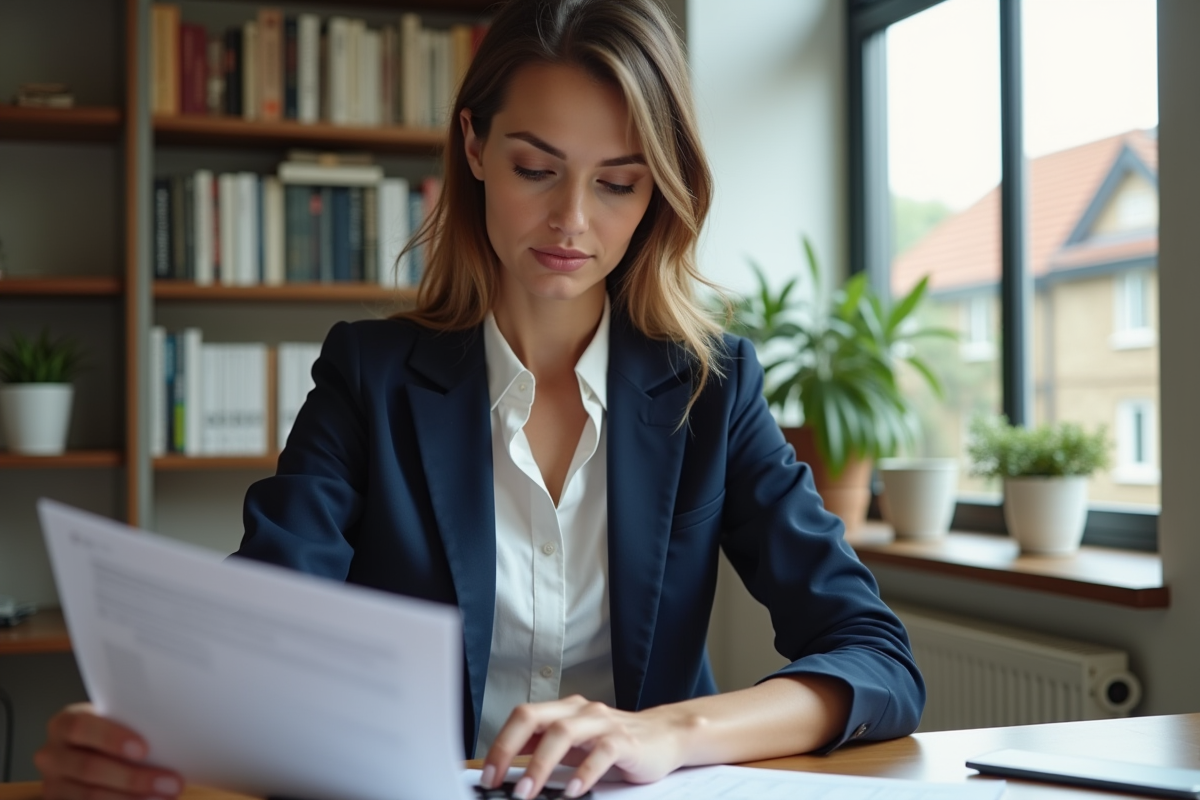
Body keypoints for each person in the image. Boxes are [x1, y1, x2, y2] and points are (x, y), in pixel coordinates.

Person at [35, 1, 924, 798]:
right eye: (537, 168)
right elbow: (260, 621)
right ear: (474, 148)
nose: (573, 219)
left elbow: (878, 660)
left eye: (618, 181)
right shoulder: (368, 376)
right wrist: (146, 731)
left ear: (659, 188)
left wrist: (667, 732)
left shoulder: (711, 389)